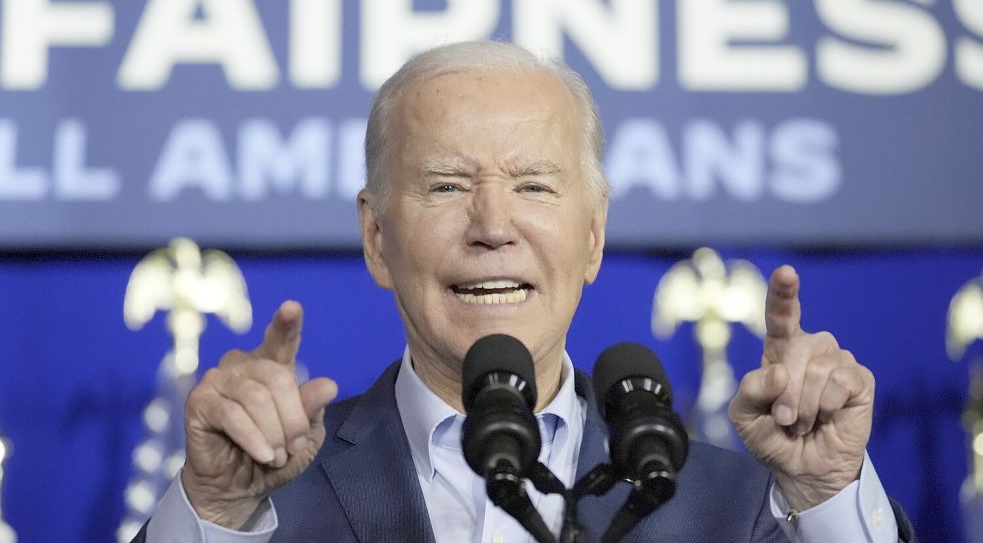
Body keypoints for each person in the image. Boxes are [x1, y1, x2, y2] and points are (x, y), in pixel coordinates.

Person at [136, 41, 917, 542]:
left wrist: (825, 492)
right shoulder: (262, 495)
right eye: (446, 185)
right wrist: (214, 509)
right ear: (376, 236)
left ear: (592, 234)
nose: (492, 227)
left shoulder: (733, 503)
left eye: (534, 186)